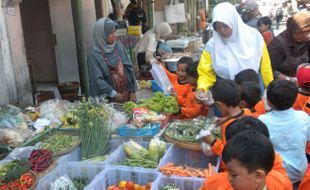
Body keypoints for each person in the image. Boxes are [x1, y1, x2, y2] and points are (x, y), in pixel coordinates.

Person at [197, 2, 273, 96]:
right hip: (225, 96)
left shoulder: (254, 37)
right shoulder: (212, 45)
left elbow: (265, 66)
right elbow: (205, 73)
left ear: (233, 21)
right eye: (218, 27)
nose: (222, 30)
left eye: (225, 25)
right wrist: (202, 88)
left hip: (251, 94)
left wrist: (269, 88)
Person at [201, 130, 292, 190]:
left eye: (233, 174)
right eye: (229, 171)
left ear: (258, 176)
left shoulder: (281, 183)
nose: (228, 178)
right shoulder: (213, 184)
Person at [259, 80, 310, 185]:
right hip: (300, 171)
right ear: (295, 99)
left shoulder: (263, 120)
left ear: (268, 101)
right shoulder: (303, 117)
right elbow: (307, 139)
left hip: (276, 175)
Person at [200, 80, 252, 171]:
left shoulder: (231, 128)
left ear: (220, 104)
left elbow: (230, 153)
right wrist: (226, 119)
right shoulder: (247, 112)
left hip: (230, 170)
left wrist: (212, 142)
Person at [87, 18, 137, 102]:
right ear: (101, 35)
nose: (115, 35)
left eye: (115, 32)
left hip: (125, 95)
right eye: (111, 33)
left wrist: (132, 89)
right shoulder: (94, 56)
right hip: (106, 101)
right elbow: (97, 80)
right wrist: (113, 93)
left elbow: (128, 66)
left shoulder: (118, 45)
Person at [268, 11, 310, 82]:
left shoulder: (307, 40)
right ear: (291, 30)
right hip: (286, 86)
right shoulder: (277, 44)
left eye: (306, 32)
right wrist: (293, 80)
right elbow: (272, 71)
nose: (302, 35)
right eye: (298, 32)